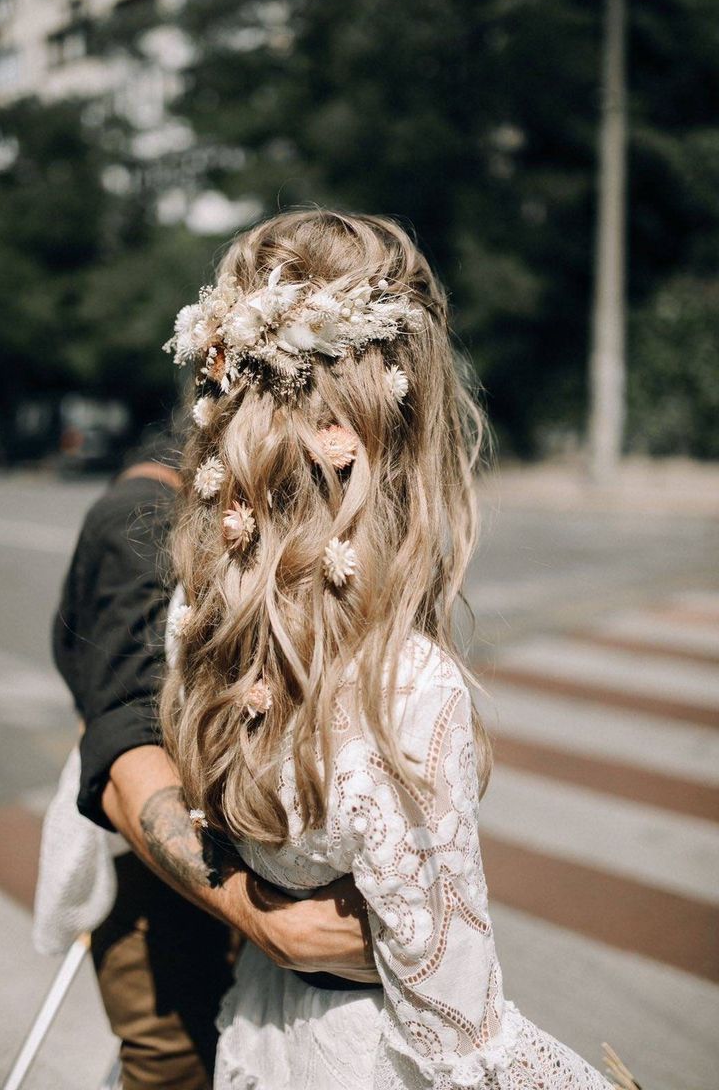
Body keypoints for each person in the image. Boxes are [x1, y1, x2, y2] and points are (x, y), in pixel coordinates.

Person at [158, 209, 613, 1089]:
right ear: (409, 428)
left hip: (263, 1034)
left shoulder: (203, 613)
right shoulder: (403, 688)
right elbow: (455, 1037)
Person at [52, 438, 375, 1090]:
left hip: (263, 852)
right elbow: (127, 745)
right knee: (177, 1065)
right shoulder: (139, 519)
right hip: (157, 869)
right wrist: (262, 915)